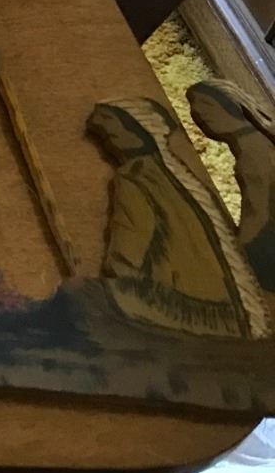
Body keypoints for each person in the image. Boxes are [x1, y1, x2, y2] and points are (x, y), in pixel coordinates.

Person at [88, 97, 267, 339]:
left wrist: (116, 289)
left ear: (136, 131)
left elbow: (128, 252)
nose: (110, 138)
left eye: (112, 127)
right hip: (231, 310)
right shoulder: (176, 173)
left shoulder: (138, 175)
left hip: (187, 308)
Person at [188, 78, 275, 290]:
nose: (198, 114)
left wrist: (238, 255)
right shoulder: (252, 143)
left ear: (230, 105)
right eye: (194, 107)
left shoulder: (253, 150)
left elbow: (259, 211)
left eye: (205, 105)